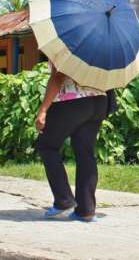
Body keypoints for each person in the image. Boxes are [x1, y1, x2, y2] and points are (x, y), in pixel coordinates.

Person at [34, 62, 111, 222]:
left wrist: (43, 110)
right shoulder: (95, 47)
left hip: (73, 100)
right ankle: (86, 210)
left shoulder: (64, 42)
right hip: (99, 101)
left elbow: (58, 77)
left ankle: (63, 200)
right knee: (85, 152)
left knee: (46, 145)